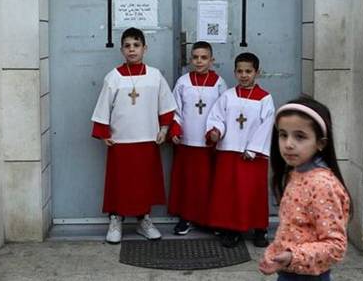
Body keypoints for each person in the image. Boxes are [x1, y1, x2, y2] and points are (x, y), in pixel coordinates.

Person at [91, 27, 176, 244]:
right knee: (119, 184)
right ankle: (116, 219)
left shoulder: (155, 75)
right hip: (121, 141)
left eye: (136, 45)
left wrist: (164, 129)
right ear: (121, 50)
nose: (132, 50)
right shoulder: (114, 77)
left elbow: (166, 105)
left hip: (147, 139)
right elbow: (103, 107)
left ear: (144, 48)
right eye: (127, 46)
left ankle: (143, 220)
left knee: (144, 184)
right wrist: (103, 133)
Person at [259, 96, 351, 281]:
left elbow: (335, 245)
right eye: (283, 134)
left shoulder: (322, 184)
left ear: (320, 143)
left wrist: (293, 256)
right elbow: (293, 226)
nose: (288, 144)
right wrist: (276, 253)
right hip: (289, 271)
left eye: (300, 136)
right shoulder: (296, 173)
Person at [206, 52, 275, 248]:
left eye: (248, 71)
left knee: (253, 192)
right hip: (229, 152)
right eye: (240, 71)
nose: (244, 75)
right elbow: (217, 117)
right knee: (231, 193)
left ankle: (259, 229)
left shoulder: (265, 98)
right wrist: (216, 132)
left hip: (254, 156)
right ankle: (232, 229)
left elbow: (267, 124)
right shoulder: (227, 95)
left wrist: (253, 149)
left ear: (257, 72)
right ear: (234, 72)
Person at [168, 41, 227, 235]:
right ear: (191, 59)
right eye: (195, 57)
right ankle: (186, 218)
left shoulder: (219, 83)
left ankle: (210, 220)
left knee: (208, 183)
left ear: (212, 60)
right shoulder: (183, 82)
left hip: (208, 144)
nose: (199, 61)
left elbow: (224, 111)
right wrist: (175, 130)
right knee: (188, 183)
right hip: (187, 142)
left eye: (204, 58)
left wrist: (217, 131)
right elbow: (175, 109)